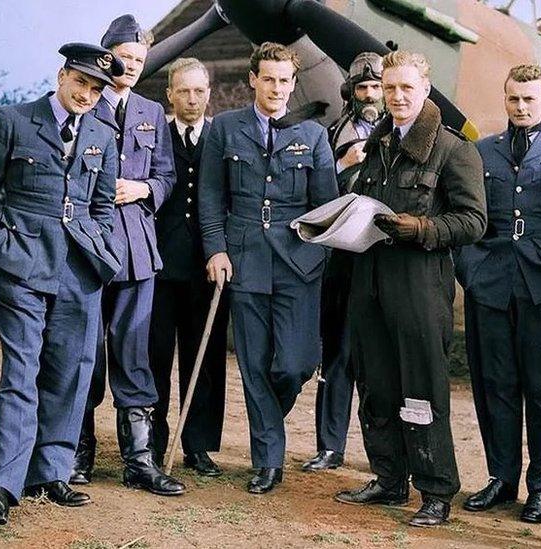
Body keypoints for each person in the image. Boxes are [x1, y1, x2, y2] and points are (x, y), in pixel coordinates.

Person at [0, 43, 125, 524]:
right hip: (22, 266)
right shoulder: (14, 120)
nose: (87, 94)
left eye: (97, 89)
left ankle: (51, 471)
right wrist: (0, 245)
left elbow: (102, 205)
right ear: (62, 76)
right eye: (81, 82)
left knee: (70, 372)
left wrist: (100, 246)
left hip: (80, 268)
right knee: (20, 373)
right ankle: (4, 483)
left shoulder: (102, 133)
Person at [335, 50, 487, 527]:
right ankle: (389, 478)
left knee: (421, 388)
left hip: (420, 283)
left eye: (407, 88)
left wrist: (421, 227)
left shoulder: (453, 149)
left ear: (425, 89)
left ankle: (436, 490)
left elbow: (474, 220)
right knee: (376, 383)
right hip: (371, 279)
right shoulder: (377, 145)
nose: (397, 96)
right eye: (389, 87)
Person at [198, 42, 338, 494]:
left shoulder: (314, 135)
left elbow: (327, 209)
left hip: (299, 262)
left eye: (285, 80)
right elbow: (210, 196)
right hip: (244, 260)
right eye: (269, 79)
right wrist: (216, 250)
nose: (277, 88)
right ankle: (268, 459)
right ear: (253, 80)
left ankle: (267, 428)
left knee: (295, 365)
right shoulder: (223, 128)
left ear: (293, 84)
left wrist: (316, 257)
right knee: (255, 363)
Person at [455, 64, 541, 524]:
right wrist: (470, 269)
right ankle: (501, 477)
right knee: (496, 385)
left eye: (530, 99)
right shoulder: (481, 152)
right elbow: (467, 217)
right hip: (490, 281)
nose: (522, 107)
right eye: (514, 99)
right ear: (505, 98)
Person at [69, 13, 183, 497]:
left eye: (140, 59)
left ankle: (140, 460)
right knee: (85, 353)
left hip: (137, 249)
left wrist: (140, 187)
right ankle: (76, 453)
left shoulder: (151, 113)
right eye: (125, 57)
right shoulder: (82, 102)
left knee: (134, 354)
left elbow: (166, 176)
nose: (132, 66)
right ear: (107, 54)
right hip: (88, 249)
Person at [303, 51, 386, 473]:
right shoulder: (332, 132)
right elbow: (317, 193)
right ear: (350, 92)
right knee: (336, 353)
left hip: (383, 257)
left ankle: (382, 453)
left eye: (376, 87)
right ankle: (330, 444)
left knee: (378, 358)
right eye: (362, 88)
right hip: (340, 256)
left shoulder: (401, 133)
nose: (370, 95)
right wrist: (342, 163)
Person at [148, 57, 228, 477]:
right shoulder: (155, 136)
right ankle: (153, 444)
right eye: (184, 91)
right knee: (156, 357)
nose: (192, 99)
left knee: (205, 359)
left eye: (199, 91)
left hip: (207, 269)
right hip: (159, 268)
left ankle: (198, 445)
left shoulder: (221, 136)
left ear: (209, 94)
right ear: (170, 94)